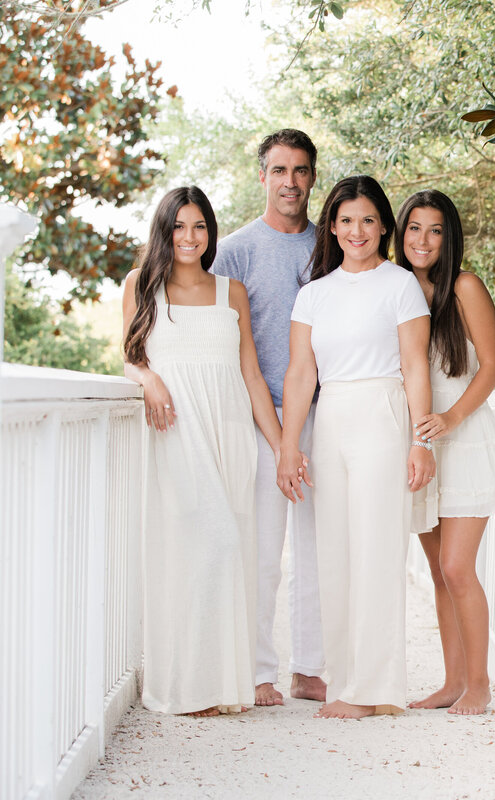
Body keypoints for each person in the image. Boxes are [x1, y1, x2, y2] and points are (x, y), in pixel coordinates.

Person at [277, 175, 439, 719]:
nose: (357, 230)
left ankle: (373, 690)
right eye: (346, 220)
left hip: (383, 415)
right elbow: (301, 375)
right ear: (332, 226)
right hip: (331, 422)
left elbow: (416, 366)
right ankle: (343, 682)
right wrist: (287, 445)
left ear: (384, 226)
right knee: (334, 555)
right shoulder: (314, 293)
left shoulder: (399, 285)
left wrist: (420, 441)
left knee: (374, 551)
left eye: (368, 219)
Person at [122, 186, 281, 716]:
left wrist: (282, 448)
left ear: (210, 233)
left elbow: (252, 375)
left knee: (228, 554)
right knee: (203, 549)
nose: (189, 238)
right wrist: (149, 379)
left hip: (230, 431)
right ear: (163, 231)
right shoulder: (141, 286)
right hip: (176, 433)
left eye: (199, 227)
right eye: (179, 227)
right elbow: (128, 358)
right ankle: (184, 687)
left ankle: (216, 686)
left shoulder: (230, 291)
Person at [211, 129, 327, 706]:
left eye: (300, 171)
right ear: (262, 176)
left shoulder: (329, 247)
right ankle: (258, 669)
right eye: (279, 170)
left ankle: (311, 669)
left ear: (312, 177)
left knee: (317, 547)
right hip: (260, 414)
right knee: (262, 547)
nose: (290, 182)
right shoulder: (232, 250)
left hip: (323, 412)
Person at [397, 190, 495, 716]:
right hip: (418, 440)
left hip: (461, 436)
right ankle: (451, 682)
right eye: (414, 228)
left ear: (450, 236)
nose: (423, 240)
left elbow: (491, 365)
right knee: (438, 570)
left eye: (435, 230)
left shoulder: (464, 286)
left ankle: (480, 684)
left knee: (457, 567)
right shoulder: (395, 289)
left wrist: (451, 418)